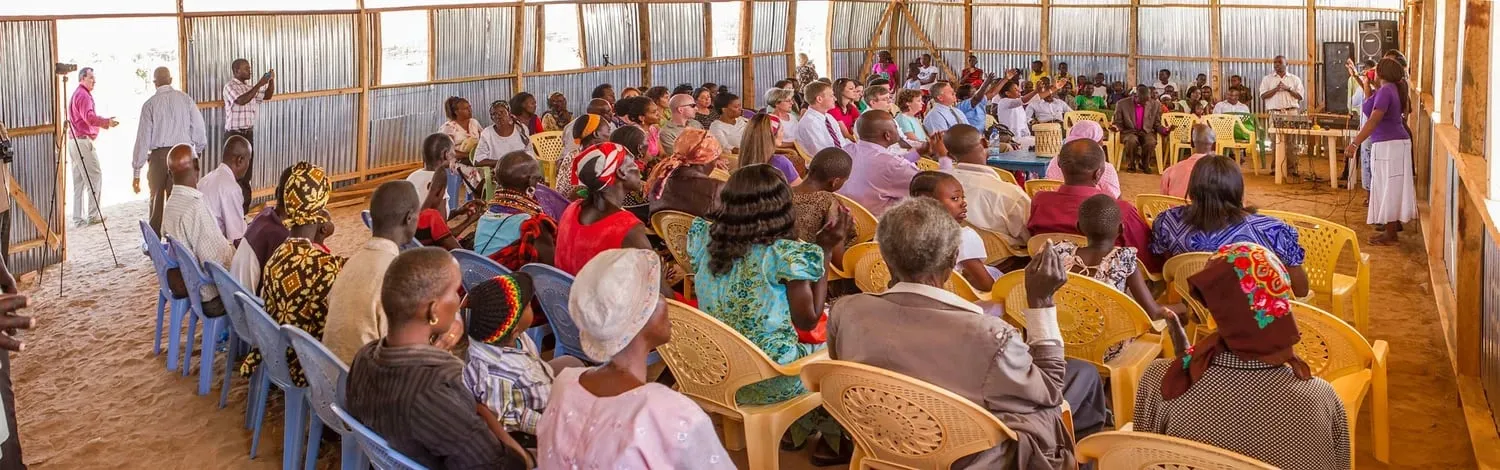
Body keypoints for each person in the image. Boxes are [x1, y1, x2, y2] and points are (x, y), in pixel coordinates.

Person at [828, 198, 1107, 469]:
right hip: (972, 457)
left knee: (1080, 374)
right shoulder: (990, 336)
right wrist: (1041, 304)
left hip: (888, 439)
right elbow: (1049, 392)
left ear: (885, 258)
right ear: (952, 261)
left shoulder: (846, 311)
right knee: (1072, 385)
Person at [686, 164, 850, 462]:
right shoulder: (782, 254)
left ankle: (795, 429)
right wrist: (825, 249)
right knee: (846, 349)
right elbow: (808, 318)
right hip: (770, 380)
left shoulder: (705, 240)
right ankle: (831, 438)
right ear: (782, 207)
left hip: (713, 370)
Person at [1134, 243, 1349, 470]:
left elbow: (1140, 459)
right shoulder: (1319, 397)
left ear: (1213, 316)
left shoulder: (1161, 379)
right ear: (1280, 308)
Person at [538, 249, 733, 468]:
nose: (666, 301)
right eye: (655, 294)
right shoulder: (672, 415)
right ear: (641, 319)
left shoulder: (564, 386)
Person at [346, 247, 528, 470]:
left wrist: (439, 350)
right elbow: (499, 466)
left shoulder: (364, 357)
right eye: (454, 292)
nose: (459, 300)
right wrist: (484, 412)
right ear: (433, 310)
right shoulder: (436, 392)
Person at [238, 162, 347, 387]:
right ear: (321, 213)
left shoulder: (278, 253)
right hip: (302, 367)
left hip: (274, 354)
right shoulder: (328, 267)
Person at [1150, 156, 1311, 297]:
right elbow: (1301, 290)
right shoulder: (1272, 231)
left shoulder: (1167, 222)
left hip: (1196, 309)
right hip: (1254, 321)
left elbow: (1167, 270)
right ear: (1238, 189)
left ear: (1192, 188)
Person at [463, 273, 581, 441]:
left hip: (534, 384)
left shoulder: (491, 336)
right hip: (539, 419)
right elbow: (509, 417)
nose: (531, 304)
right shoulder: (500, 376)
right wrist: (555, 425)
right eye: (526, 306)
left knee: (572, 362)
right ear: (514, 328)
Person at [322, 181, 420, 364]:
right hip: (364, 382)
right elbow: (400, 352)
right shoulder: (397, 275)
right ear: (409, 218)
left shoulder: (353, 261)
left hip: (328, 374)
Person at [1028, 140, 1160, 272]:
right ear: (1098, 173)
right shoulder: (1119, 211)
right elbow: (1146, 260)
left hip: (1051, 280)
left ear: (1058, 164)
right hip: (1105, 288)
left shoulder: (1039, 201)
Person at [1052, 195, 1175, 321]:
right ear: (1121, 229)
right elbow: (1153, 312)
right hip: (1109, 337)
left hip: (1062, 331)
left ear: (1079, 228)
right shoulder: (1123, 260)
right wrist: (1183, 307)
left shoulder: (1060, 251)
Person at [554, 143, 651, 275]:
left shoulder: (572, 209)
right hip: (601, 295)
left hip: (568, 293)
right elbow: (658, 287)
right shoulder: (626, 227)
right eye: (633, 164)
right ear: (621, 172)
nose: (639, 169)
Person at [160, 144, 233, 317]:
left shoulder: (171, 204)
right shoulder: (195, 207)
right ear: (197, 166)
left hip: (191, 287)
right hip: (211, 298)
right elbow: (218, 263)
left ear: (170, 174)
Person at [1348, 58, 1415, 246]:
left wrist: (1355, 143)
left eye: (1375, 71)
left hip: (1390, 144)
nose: (1372, 73)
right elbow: (1369, 107)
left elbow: (1373, 120)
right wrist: (1368, 85)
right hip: (1391, 143)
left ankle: (1391, 233)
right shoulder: (1389, 89)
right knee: (1387, 185)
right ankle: (1391, 228)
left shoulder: (1386, 91)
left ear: (1382, 74)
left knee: (1388, 186)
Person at [133, 66, 207, 234]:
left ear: (155, 83)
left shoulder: (149, 105)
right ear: (171, 80)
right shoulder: (185, 99)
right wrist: (197, 152)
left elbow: (142, 139)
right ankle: (179, 241)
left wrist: (137, 171)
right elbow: (199, 129)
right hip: (182, 155)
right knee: (181, 200)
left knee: (156, 201)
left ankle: (155, 244)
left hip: (159, 158)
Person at [842, 111, 948, 216]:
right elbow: (940, 188)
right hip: (881, 226)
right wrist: (943, 155)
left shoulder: (847, 150)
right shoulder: (893, 165)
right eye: (896, 127)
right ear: (887, 135)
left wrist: (919, 152)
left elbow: (888, 166)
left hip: (853, 220)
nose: (898, 130)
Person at [945, 125, 1030, 253]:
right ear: (985, 143)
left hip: (954, 262)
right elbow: (1032, 237)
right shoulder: (1010, 194)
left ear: (950, 156)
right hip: (1006, 263)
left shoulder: (938, 186)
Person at [908, 171, 999, 290]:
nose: (963, 203)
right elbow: (987, 286)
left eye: (963, 197)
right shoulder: (962, 237)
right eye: (955, 198)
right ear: (927, 202)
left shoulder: (903, 232)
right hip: (963, 302)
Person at [476, 152, 559, 271]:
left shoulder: (485, 217)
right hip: (509, 285)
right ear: (531, 182)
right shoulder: (533, 225)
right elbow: (549, 271)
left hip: (483, 278)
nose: (540, 182)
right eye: (538, 178)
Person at [409, 134, 485, 250]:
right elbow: (443, 235)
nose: (455, 154)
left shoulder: (413, 176)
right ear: (445, 154)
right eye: (453, 150)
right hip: (431, 250)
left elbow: (430, 221)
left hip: (414, 243)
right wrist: (470, 220)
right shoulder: (437, 181)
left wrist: (460, 211)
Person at [231, 165, 295, 292]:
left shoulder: (266, 215)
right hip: (247, 305)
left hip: (236, 293)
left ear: (277, 192)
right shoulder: (281, 237)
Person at [67, 67, 118, 227]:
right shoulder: (83, 96)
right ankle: (93, 215)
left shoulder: (76, 94)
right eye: (91, 78)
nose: (94, 81)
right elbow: (89, 118)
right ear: (82, 78)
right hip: (82, 141)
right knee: (95, 176)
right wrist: (106, 122)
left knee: (79, 181)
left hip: (73, 141)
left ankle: (78, 218)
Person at [224, 58, 275, 212]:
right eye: (246, 68)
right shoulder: (230, 86)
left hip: (248, 135)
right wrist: (260, 83)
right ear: (236, 71)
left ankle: (243, 212)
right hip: (234, 136)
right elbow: (241, 100)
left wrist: (271, 81)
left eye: (250, 68)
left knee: (246, 175)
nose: (249, 71)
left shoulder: (249, 87)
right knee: (232, 175)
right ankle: (231, 212)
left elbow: (267, 96)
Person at [791, 148, 856, 269]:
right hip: (815, 272)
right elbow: (839, 263)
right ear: (835, 182)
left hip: (782, 263)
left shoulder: (784, 193)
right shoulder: (830, 203)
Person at [647, 129, 725, 217]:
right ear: (706, 160)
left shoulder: (661, 176)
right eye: (716, 158)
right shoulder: (717, 188)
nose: (715, 164)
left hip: (661, 230)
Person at [1043, 120, 1122, 197]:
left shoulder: (1055, 161)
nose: (1102, 143)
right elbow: (1116, 199)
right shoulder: (1105, 168)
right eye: (1101, 140)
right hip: (1095, 209)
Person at [199, 136, 252, 242]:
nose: (248, 165)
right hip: (213, 251)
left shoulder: (206, 179)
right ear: (240, 160)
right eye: (248, 160)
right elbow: (237, 238)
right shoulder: (231, 188)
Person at [1113, 84, 1167, 173]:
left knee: (1151, 142)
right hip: (1129, 131)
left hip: (1146, 131)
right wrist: (1116, 127)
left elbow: (1157, 124)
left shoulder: (1155, 104)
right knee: (1131, 141)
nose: (1145, 103)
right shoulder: (1122, 104)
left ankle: (1144, 163)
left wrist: (1165, 130)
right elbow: (1118, 122)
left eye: (1147, 100)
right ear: (1135, 96)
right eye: (1142, 101)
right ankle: (1131, 164)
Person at [554, 114, 611, 197]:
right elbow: (581, 195)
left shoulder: (571, 154)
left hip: (562, 203)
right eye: (608, 131)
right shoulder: (592, 160)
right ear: (596, 134)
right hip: (575, 206)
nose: (610, 135)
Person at [738, 114, 802, 184]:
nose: (783, 134)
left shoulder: (743, 160)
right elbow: (801, 191)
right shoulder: (780, 162)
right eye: (782, 130)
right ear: (772, 136)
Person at [793, 81, 852, 154]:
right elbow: (822, 152)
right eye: (831, 95)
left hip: (838, 157)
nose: (835, 99)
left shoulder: (829, 117)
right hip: (824, 162)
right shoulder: (810, 123)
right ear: (819, 99)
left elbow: (841, 141)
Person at [1159, 124, 1216, 198]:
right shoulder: (1221, 173)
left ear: (1192, 143)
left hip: (1176, 209)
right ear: (1214, 145)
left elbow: (1163, 203)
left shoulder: (1169, 172)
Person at [474, 100, 534, 168]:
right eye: (494, 114)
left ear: (509, 114)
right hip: (499, 172)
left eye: (502, 112)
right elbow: (478, 161)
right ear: (491, 118)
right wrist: (503, 163)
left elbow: (530, 153)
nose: (498, 116)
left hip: (520, 170)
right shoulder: (487, 133)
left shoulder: (521, 129)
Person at [922, 82, 972, 154]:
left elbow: (969, 130)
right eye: (951, 93)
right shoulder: (935, 115)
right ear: (940, 97)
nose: (955, 93)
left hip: (966, 147)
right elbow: (942, 141)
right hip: (952, 152)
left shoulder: (957, 111)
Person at [994, 77, 1040, 149]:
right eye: (1015, 89)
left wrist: (1054, 88)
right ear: (1007, 93)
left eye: (1018, 88)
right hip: (1012, 139)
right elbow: (1023, 100)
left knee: (1042, 141)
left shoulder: (1016, 102)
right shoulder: (1004, 102)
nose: (1019, 90)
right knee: (1040, 142)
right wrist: (1035, 91)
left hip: (1023, 137)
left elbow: (1037, 97)